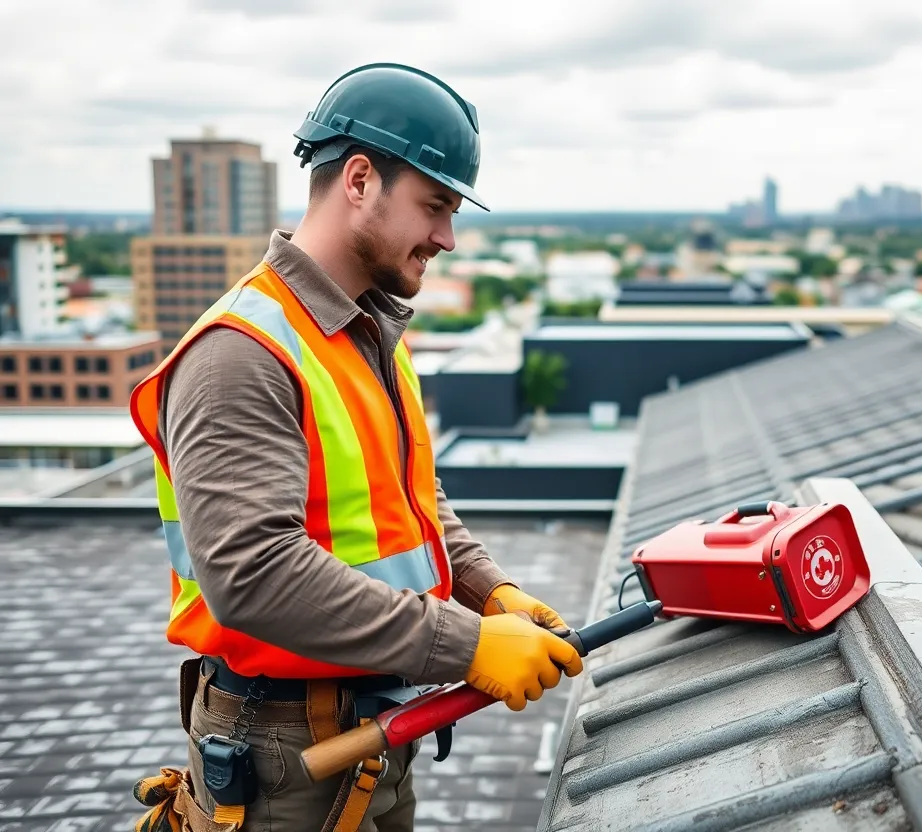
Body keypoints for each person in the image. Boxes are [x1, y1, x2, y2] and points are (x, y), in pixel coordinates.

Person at [128, 63, 582, 831]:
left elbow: (409, 502)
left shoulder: (362, 332)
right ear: (361, 180)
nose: (446, 238)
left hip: (372, 735)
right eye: (435, 207)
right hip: (283, 760)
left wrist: (488, 590)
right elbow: (253, 575)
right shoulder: (240, 354)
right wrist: (469, 643)